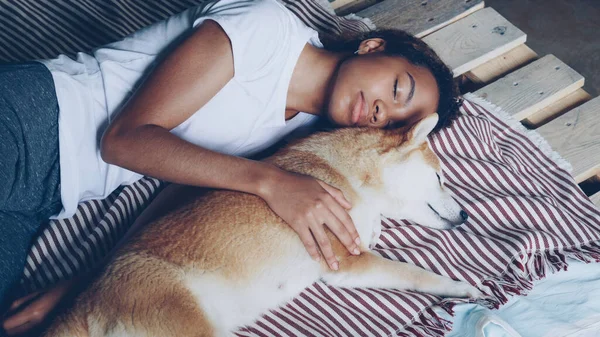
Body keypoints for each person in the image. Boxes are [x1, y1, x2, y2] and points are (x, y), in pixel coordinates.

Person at [0, 0, 461, 334]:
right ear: (372, 47)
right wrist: (272, 182)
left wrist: (94, 285)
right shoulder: (264, 28)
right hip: (28, 119)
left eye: (397, 121)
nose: (383, 112)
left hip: (39, 203)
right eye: (398, 89)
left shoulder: (304, 138)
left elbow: (187, 193)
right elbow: (125, 140)